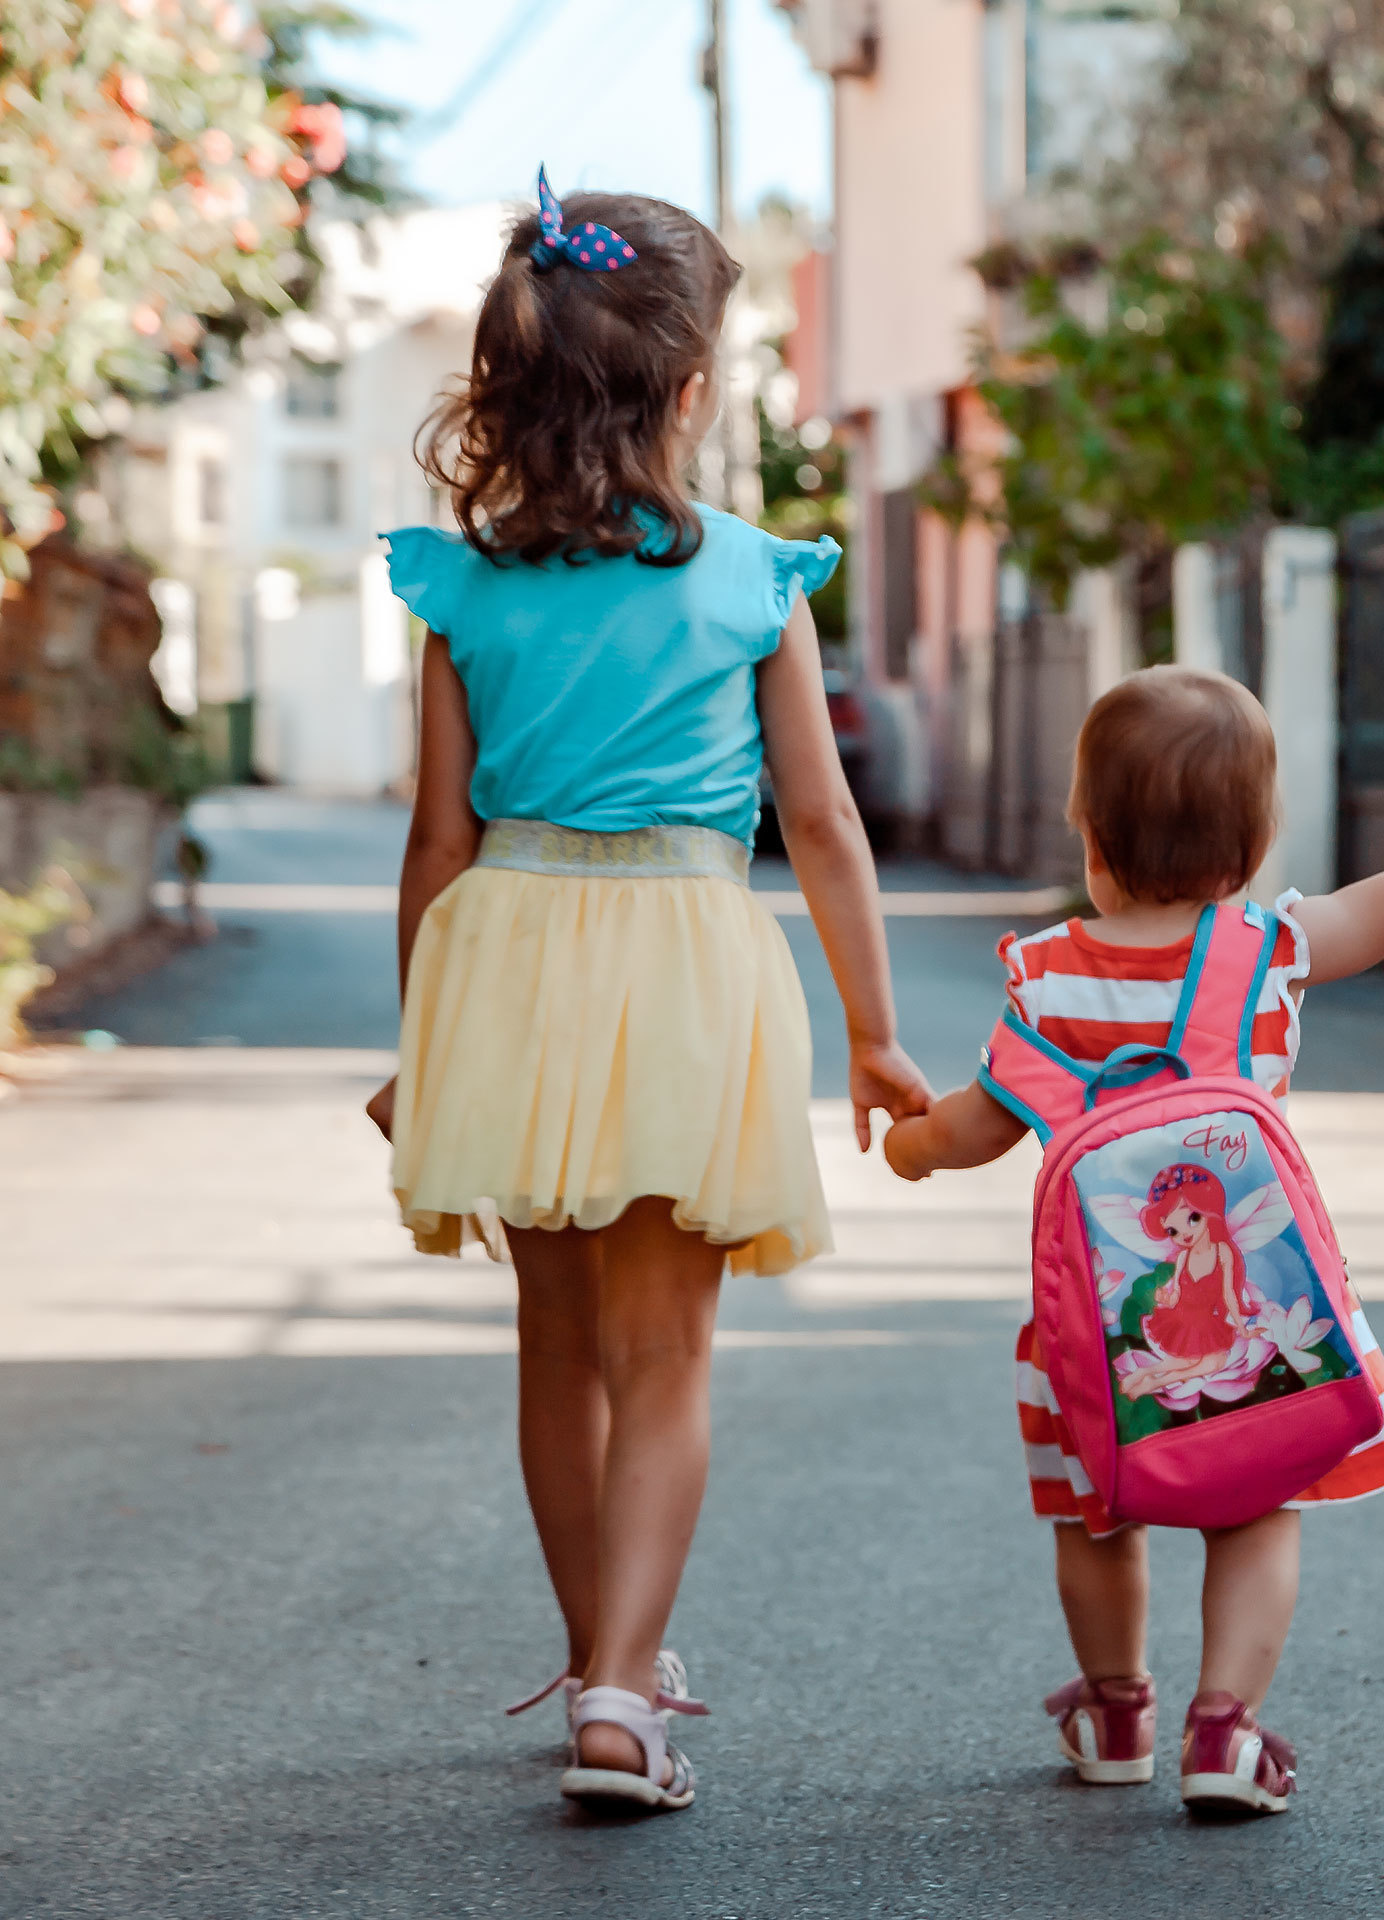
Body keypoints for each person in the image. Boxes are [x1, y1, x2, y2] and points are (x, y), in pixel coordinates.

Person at [365, 171, 931, 1812]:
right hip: (687, 960)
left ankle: (604, 1662)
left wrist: (424, 1046)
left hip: (514, 956)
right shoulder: (756, 580)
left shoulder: (460, 585)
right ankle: (625, 1683)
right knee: (667, 1354)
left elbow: (435, 838)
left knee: (556, 1345)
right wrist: (880, 1037)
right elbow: (819, 824)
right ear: (691, 392)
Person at [882, 666, 1384, 1814]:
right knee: (1257, 1511)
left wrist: (909, 1147)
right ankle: (1224, 1730)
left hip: (1096, 1342)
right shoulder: (1267, 953)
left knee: (1093, 1518)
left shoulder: (1048, 979)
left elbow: (975, 1128)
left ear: (1089, 832)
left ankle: (1116, 1706)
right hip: (1253, 1330)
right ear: (1256, 837)